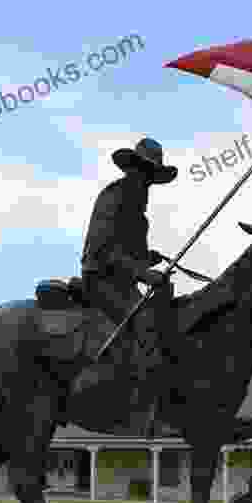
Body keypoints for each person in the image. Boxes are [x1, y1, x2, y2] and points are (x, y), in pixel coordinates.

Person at [73, 137, 181, 437]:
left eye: (150, 176)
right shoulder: (115, 197)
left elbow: (129, 253)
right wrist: (143, 273)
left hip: (122, 280)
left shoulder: (137, 211)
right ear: (131, 169)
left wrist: (148, 259)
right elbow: (103, 252)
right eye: (143, 172)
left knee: (164, 315)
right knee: (146, 323)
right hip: (102, 280)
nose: (146, 181)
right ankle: (144, 413)